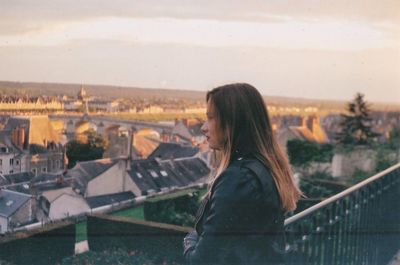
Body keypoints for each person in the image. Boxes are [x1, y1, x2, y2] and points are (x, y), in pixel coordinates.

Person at [183, 83, 302, 264]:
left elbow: (203, 260)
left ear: (233, 122)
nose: (203, 127)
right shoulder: (264, 167)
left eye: (211, 118)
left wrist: (189, 242)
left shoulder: (238, 179)